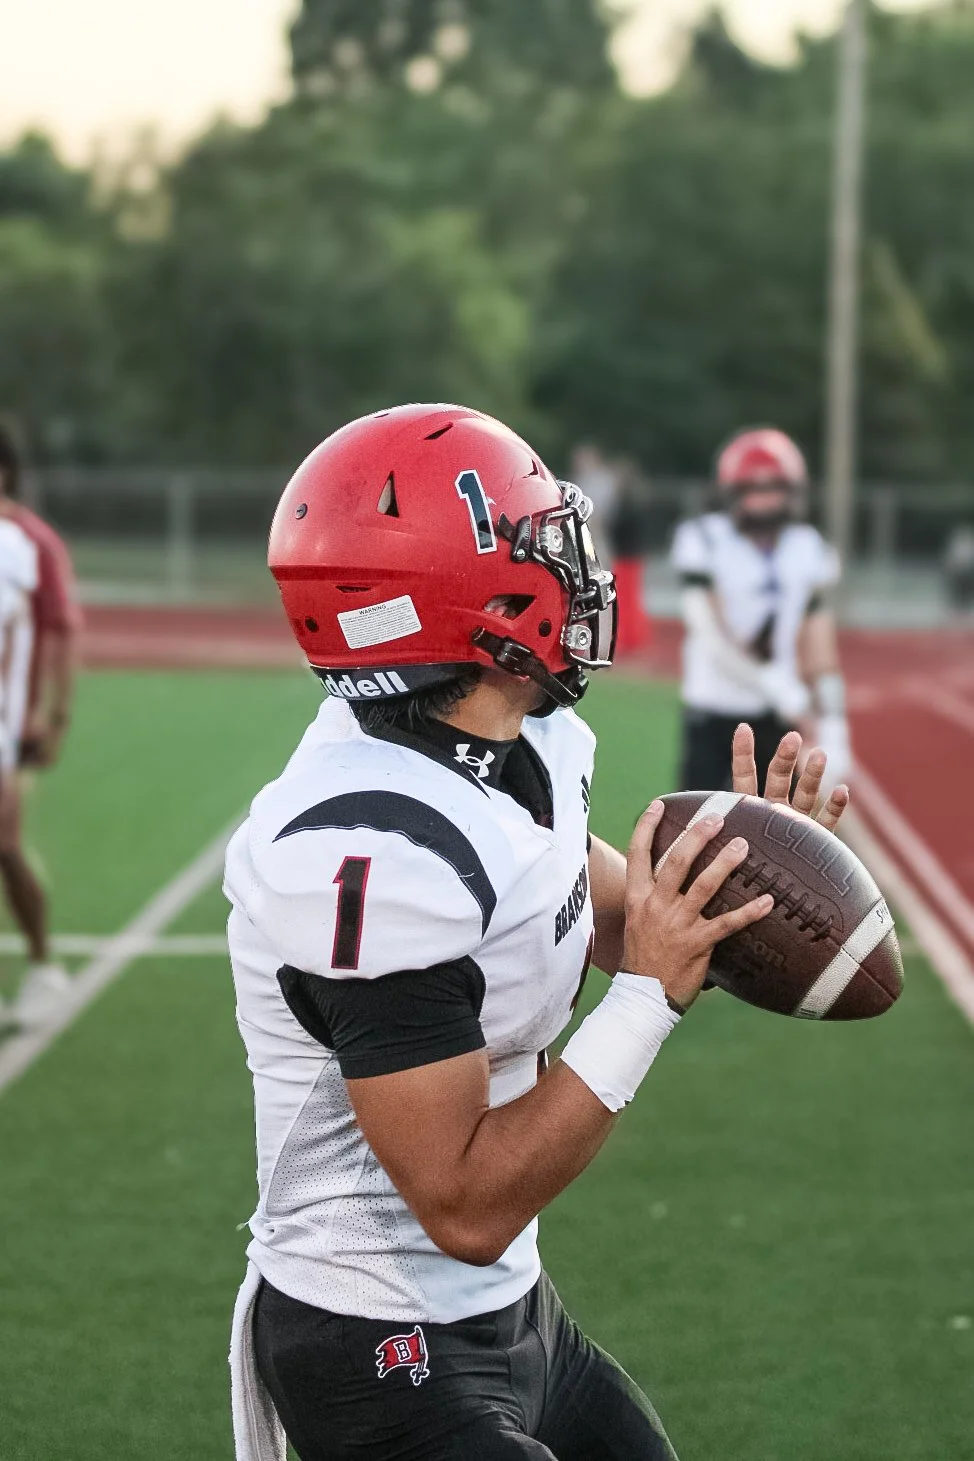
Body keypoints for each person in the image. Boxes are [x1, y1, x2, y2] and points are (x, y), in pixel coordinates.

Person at [224, 404, 848, 1461]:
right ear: (468, 601)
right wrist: (646, 1001)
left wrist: (739, 874)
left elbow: (600, 907)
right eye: (540, 548)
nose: (577, 571)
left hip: (509, 1312)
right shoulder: (372, 852)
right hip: (372, 1340)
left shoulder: (518, 738)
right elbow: (462, 1202)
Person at [670, 426, 851, 796]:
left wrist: (834, 722)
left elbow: (820, 648)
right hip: (714, 709)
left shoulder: (810, 548)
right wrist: (771, 682)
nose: (764, 502)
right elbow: (709, 631)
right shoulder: (703, 538)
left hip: (776, 716)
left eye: (773, 490)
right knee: (697, 828)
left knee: (783, 834)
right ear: (733, 493)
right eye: (753, 490)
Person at [0, 419, 81, 1029]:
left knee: (4, 844)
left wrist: (53, 715)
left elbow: (59, 632)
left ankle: (44, 965)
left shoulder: (27, 542)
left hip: (8, 727)